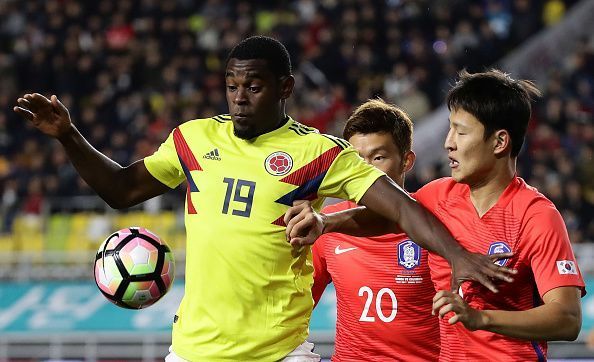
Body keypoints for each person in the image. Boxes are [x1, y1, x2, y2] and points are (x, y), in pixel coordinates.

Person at [14, 36, 514, 361]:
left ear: (284, 88)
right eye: (232, 85)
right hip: (194, 351)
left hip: (280, 352)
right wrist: (68, 136)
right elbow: (121, 190)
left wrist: (459, 255)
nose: (239, 96)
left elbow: (402, 207)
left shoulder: (317, 153)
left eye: (253, 85)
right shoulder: (193, 139)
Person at [285, 69, 585, 361]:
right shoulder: (439, 196)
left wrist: (481, 318)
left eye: (461, 132)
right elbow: (390, 216)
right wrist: (325, 222)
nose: (449, 143)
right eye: (450, 129)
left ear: (499, 142)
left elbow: (567, 318)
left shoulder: (536, 216)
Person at [311, 99, 440, 361]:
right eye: (357, 160)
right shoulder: (326, 226)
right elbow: (296, 308)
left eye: (378, 158)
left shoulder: (433, 224)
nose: (366, 172)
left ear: (407, 161)